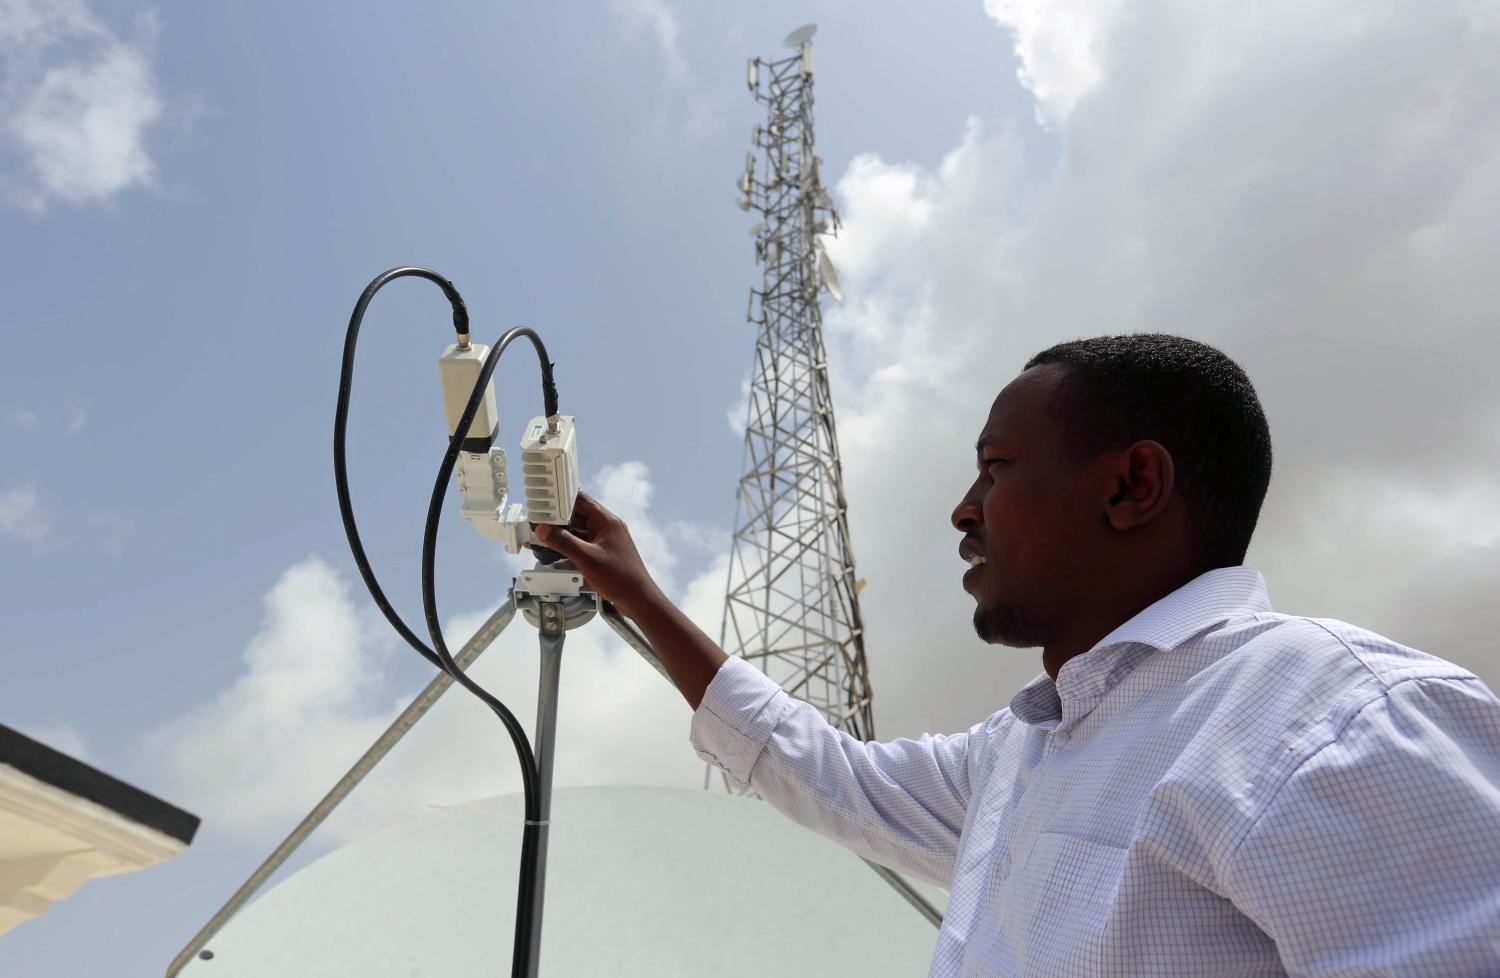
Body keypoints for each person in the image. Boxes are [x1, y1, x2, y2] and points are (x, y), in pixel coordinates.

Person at [533, 334, 1500, 977]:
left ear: (1132, 486)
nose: (963, 508)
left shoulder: (1333, 720)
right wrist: (641, 596)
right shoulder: (1024, 751)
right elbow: (824, 773)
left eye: (995, 469)